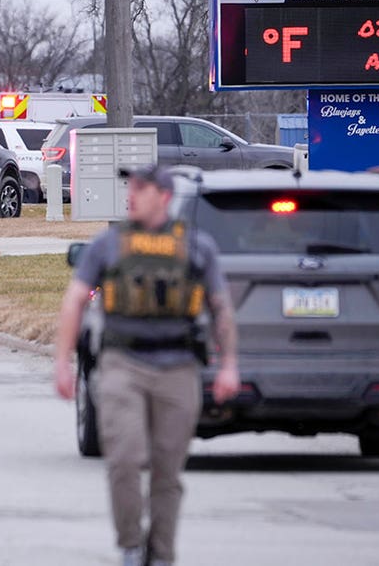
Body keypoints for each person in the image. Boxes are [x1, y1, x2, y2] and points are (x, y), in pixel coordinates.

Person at [53, 163, 240, 566]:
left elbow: (221, 308)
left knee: (166, 471)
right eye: (130, 187)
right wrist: (62, 363)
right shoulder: (109, 244)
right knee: (123, 458)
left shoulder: (196, 246)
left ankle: (161, 554)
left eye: (141, 188)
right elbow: (73, 302)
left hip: (178, 369)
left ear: (165, 197)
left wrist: (228, 366)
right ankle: (131, 545)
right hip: (123, 364)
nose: (131, 194)